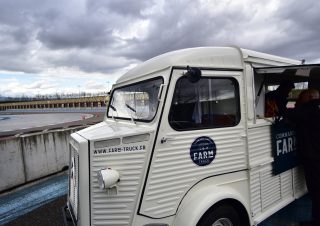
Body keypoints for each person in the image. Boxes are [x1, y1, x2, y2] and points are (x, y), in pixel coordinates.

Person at [285, 89, 320, 226]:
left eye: (302, 96)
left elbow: (289, 114)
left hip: (314, 156)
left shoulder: (309, 108)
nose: (299, 98)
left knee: (316, 190)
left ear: (310, 97)